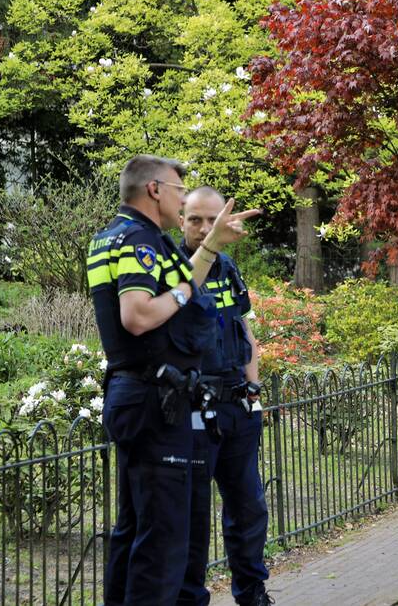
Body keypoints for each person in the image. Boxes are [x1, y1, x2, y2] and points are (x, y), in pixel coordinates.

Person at [90, 154, 258, 605]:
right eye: (180, 191)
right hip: (154, 399)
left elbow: (185, 284)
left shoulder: (115, 236)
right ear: (155, 190)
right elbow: (139, 314)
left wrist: (209, 250)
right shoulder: (139, 240)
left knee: (135, 531)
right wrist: (185, 290)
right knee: (163, 542)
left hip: (139, 396)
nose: (182, 198)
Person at [178, 186, 271, 606]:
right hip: (192, 412)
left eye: (211, 220)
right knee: (192, 518)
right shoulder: (175, 269)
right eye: (194, 219)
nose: (203, 228)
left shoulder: (229, 268)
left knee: (249, 508)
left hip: (237, 407)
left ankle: (252, 592)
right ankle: (190, 599)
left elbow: (245, 333)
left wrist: (254, 392)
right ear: (181, 220)